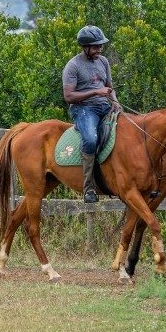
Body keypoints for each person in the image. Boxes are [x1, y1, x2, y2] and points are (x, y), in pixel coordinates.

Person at [62, 25, 120, 204]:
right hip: (84, 109)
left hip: (105, 105)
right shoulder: (73, 66)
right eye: (96, 46)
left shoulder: (103, 61)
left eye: (100, 46)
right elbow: (69, 96)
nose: (99, 49)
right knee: (90, 139)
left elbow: (109, 87)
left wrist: (116, 102)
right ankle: (89, 188)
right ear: (85, 47)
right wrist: (95, 93)